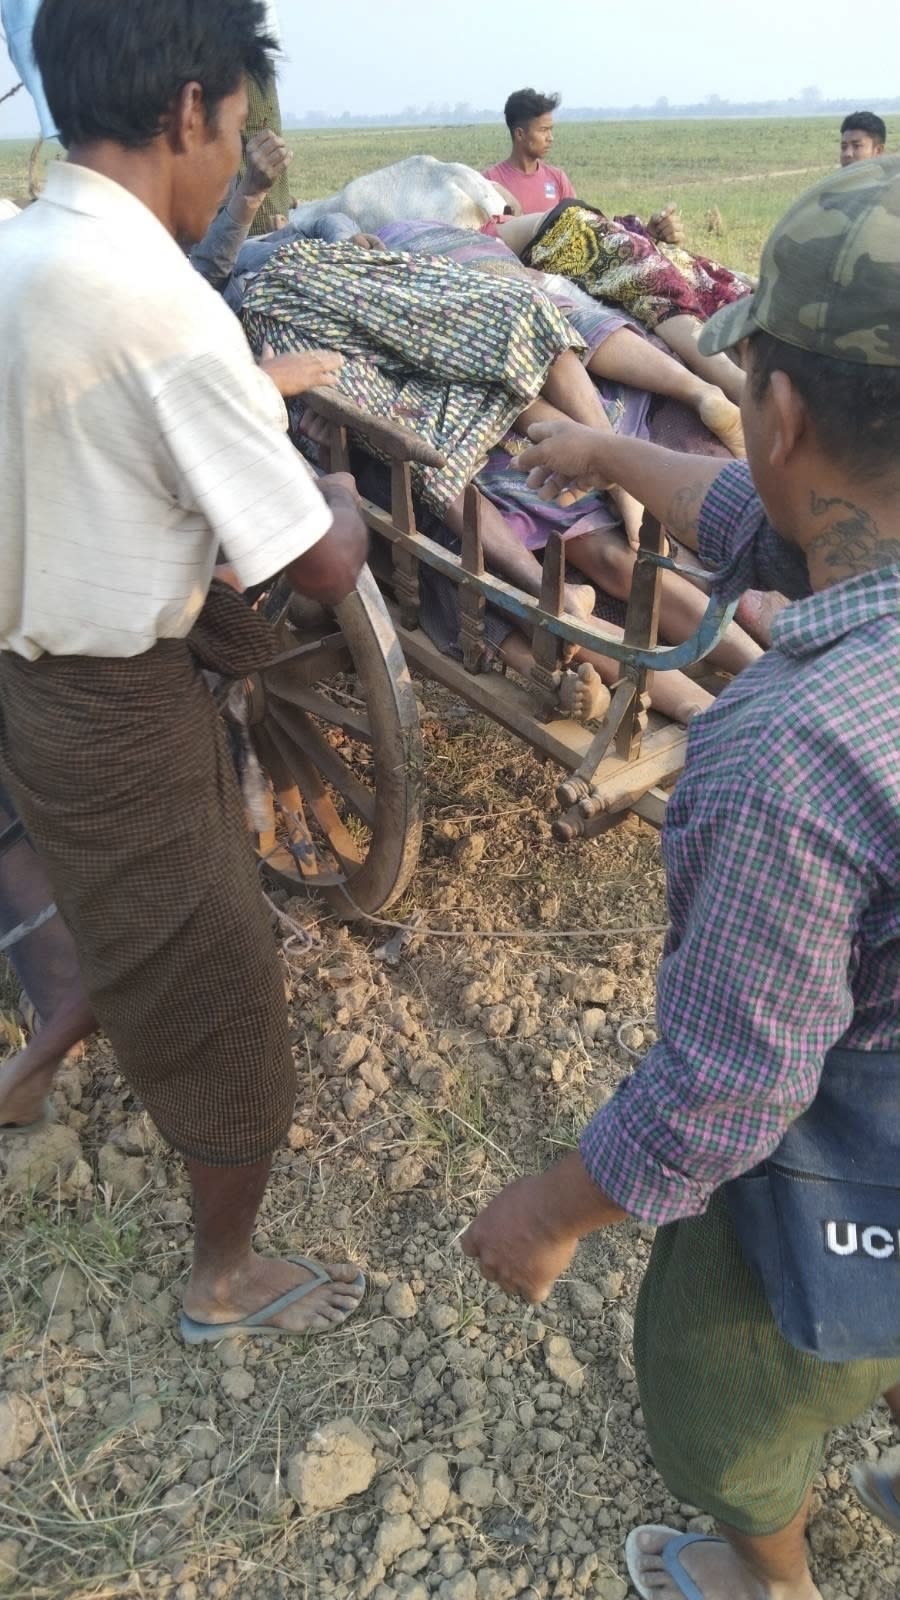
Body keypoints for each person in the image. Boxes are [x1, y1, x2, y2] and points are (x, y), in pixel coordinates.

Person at [462, 154, 900, 1600]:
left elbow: (729, 1089)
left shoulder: (790, 753)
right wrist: (606, 458)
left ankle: (769, 1574)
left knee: (722, 1384)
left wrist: (544, 1212)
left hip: (863, 1152)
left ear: (776, 406)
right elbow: (774, 520)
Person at [0, 0, 372, 1343]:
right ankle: (225, 1281)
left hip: (32, 679)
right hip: (116, 698)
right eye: (237, 127)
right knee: (221, 982)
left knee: (117, 899)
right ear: (189, 111)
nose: (235, 160)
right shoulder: (160, 306)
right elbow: (318, 570)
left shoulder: (20, 245)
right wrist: (338, 491)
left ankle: (33, 1066)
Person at [483, 88, 684, 245]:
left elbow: (586, 229)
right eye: (543, 130)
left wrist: (645, 234)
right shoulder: (490, 184)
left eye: (551, 130)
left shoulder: (557, 179)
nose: (550, 138)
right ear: (519, 134)